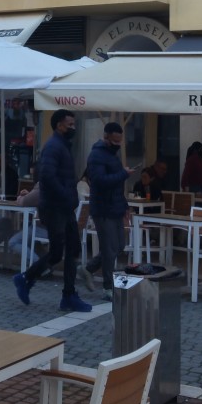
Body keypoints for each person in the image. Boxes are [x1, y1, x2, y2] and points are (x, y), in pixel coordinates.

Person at [13, 110, 91, 312]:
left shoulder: (63, 146)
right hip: (55, 207)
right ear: (59, 125)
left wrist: (69, 197)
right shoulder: (54, 146)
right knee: (57, 252)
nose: (73, 128)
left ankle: (68, 294)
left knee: (72, 249)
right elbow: (47, 176)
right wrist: (66, 195)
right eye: (70, 124)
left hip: (63, 207)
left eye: (74, 124)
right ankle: (26, 278)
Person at [79, 122, 134, 301]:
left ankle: (88, 268)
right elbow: (99, 181)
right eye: (115, 141)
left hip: (115, 207)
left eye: (120, 141)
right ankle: (108, 288)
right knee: (109, 249)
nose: (118, 144)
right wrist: (123, 174)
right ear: (106, 138)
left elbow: (117, 186)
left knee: (119, 245)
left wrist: (124, 205)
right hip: (103, 208)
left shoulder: (112, 155)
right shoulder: (97, 155)